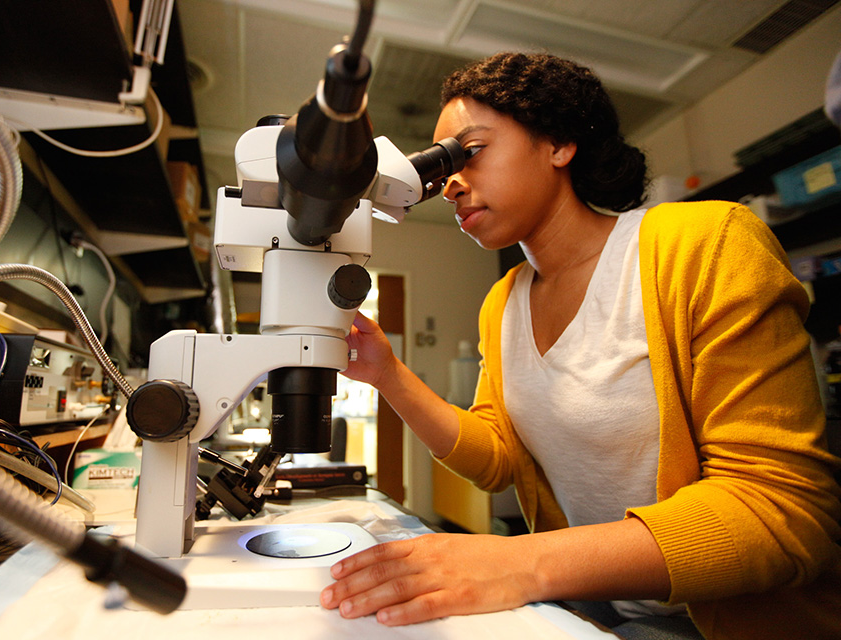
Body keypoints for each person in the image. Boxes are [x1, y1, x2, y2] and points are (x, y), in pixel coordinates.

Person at [319, 52, 841, 640]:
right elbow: (496, 461)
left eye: (470, 151)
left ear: (559, 143)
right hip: (597, 612)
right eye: (443, 172)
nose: (452, 183)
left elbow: (784, 512)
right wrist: (387, 374)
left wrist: (519, 562)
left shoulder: (702, 245)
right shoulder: (505, 301)